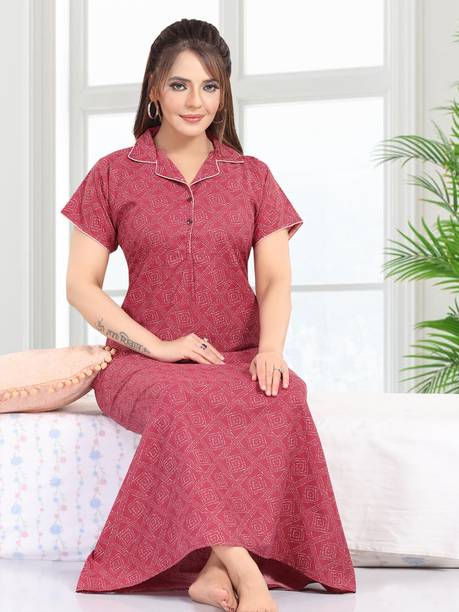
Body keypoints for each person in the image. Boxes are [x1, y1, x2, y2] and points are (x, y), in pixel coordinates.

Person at [61, 17, 356, 612]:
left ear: (224, 94)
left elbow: (274, 279)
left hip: (237, 355)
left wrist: (270, 349)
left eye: (210, 86)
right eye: (180, 85)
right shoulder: (113, 174)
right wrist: (158, 347)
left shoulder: (253, 177)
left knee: (286, 396)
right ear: (154, 89)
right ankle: (245, 570)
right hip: (142, 363)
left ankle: (210, 571)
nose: (195, 101)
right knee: (181, 403)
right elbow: (80, 287)